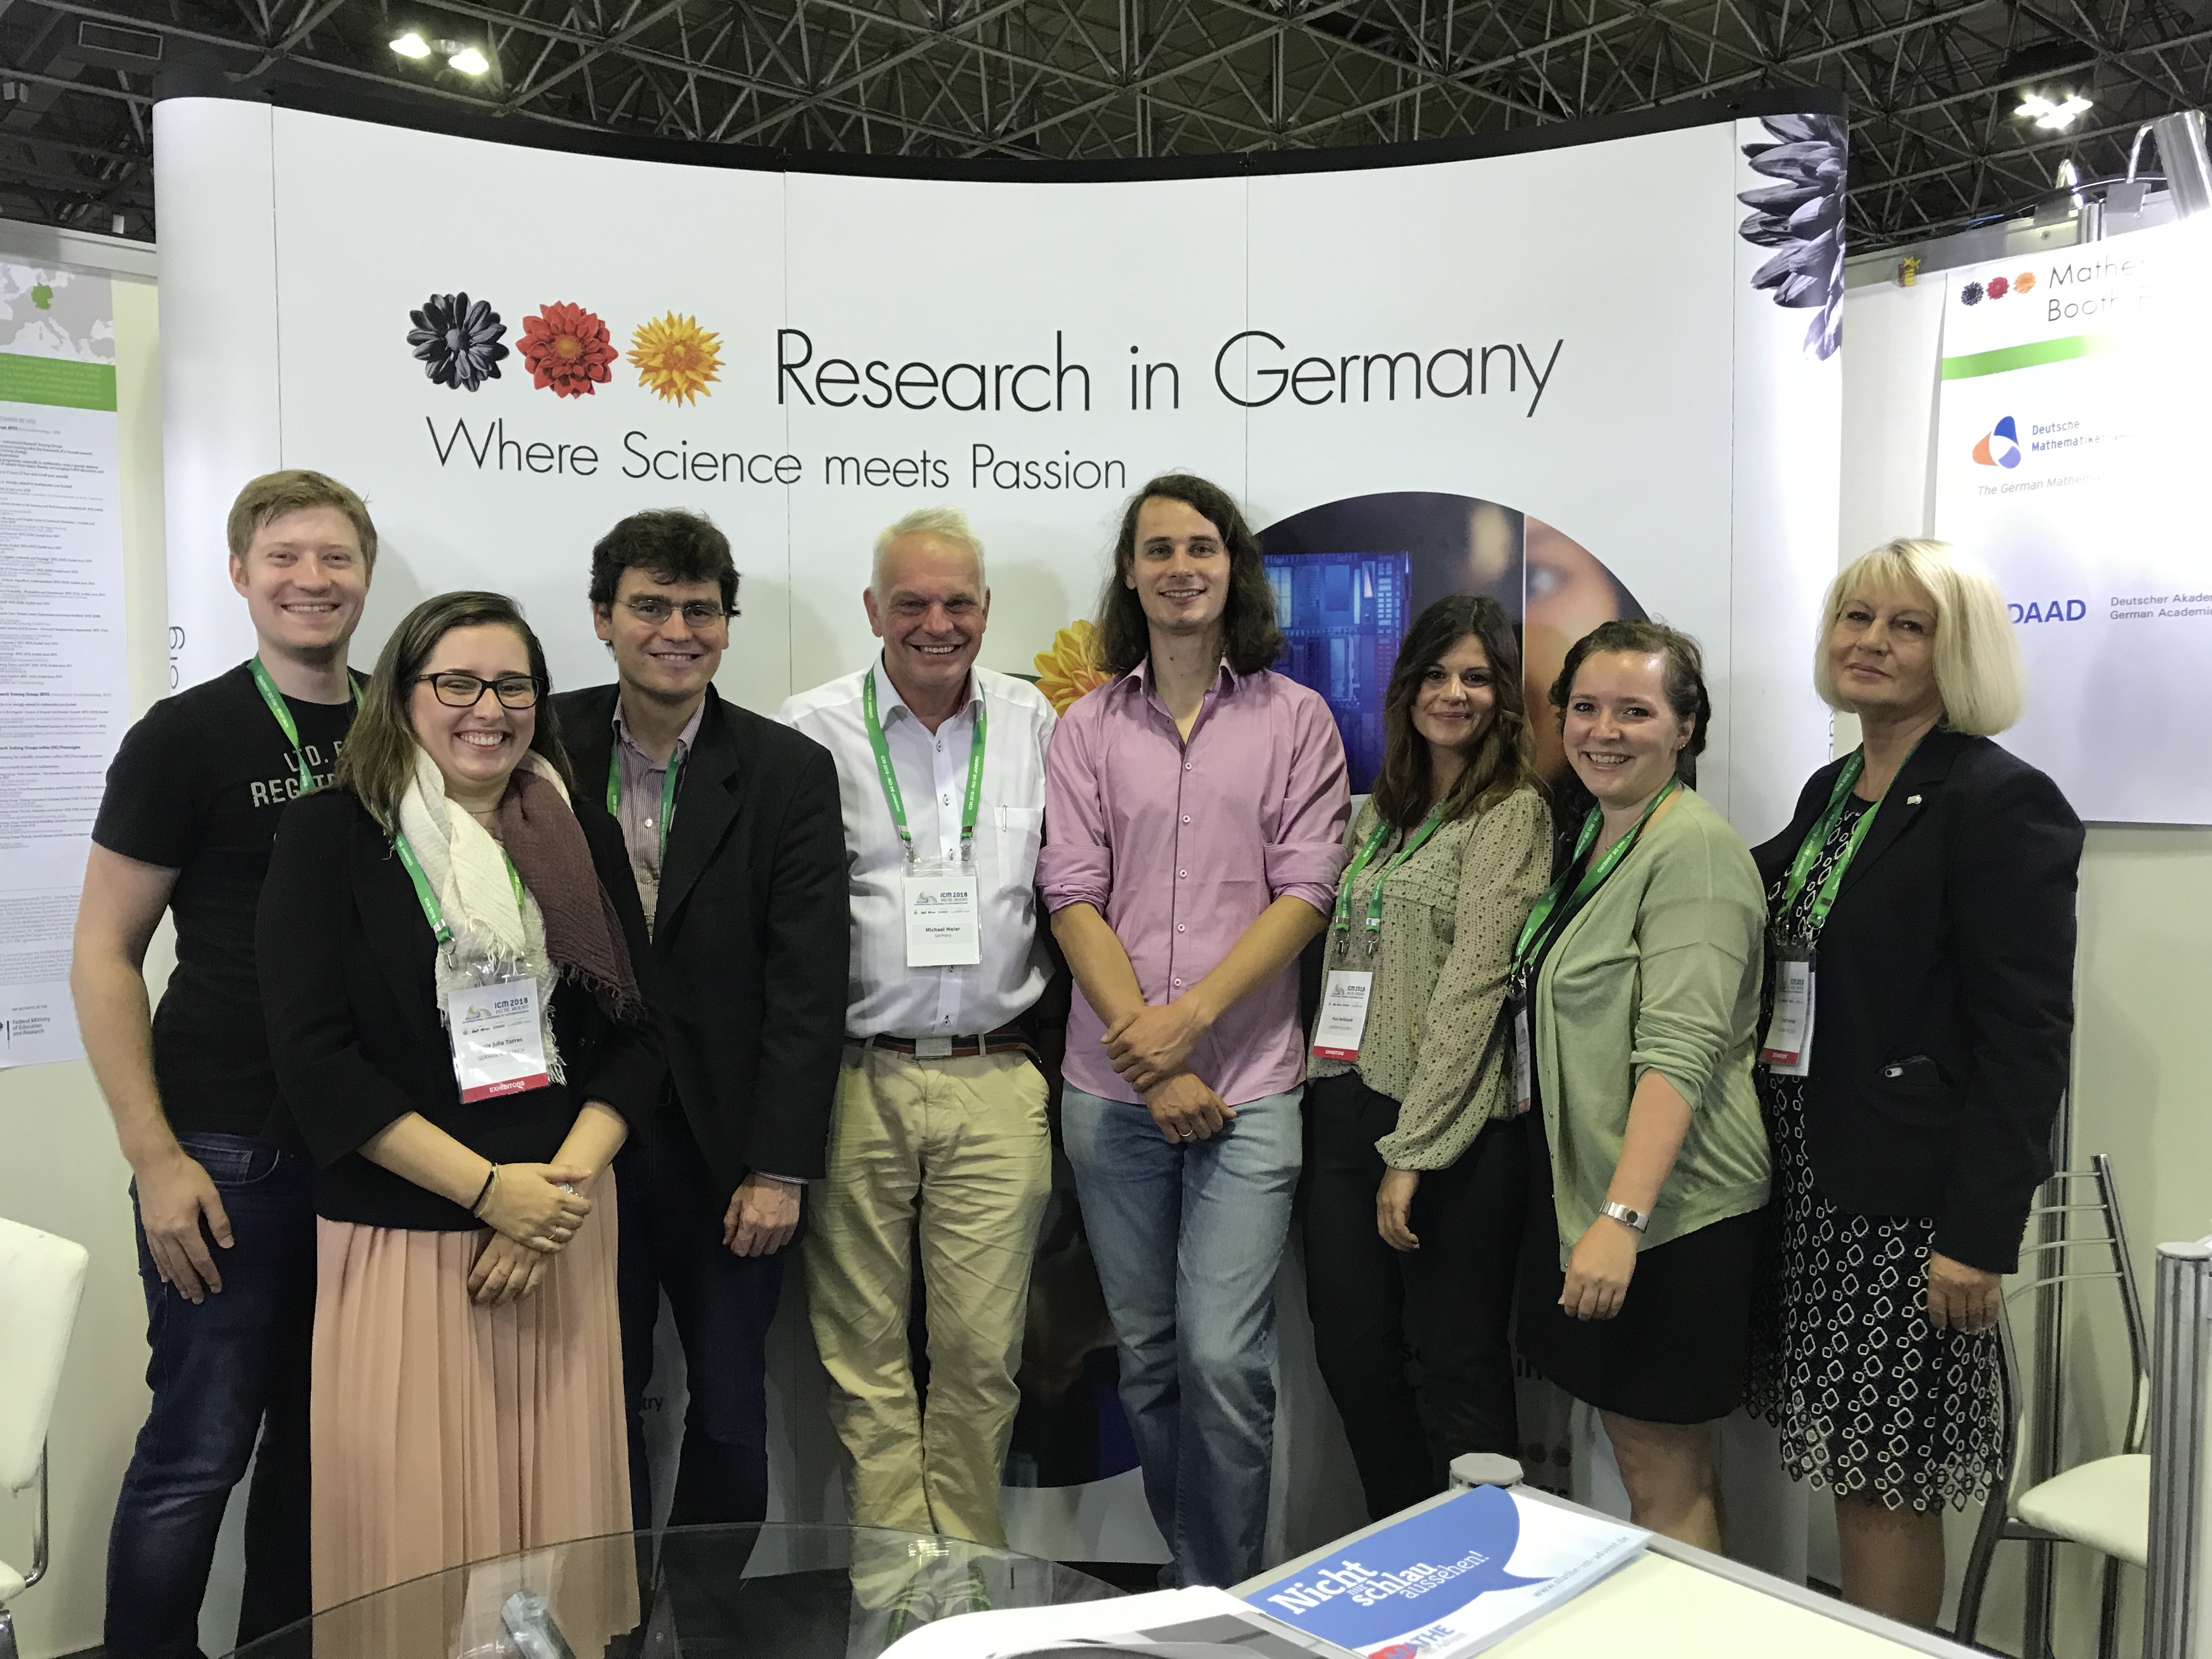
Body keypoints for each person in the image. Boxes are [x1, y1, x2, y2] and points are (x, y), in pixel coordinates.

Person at [256, 591, 661, 1627]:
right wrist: (490, 1194)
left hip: (563, 1231)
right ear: (402, 697)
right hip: (409, 1244)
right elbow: (317, 1063)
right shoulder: (329, 836)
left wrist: (553, 1200)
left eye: (513, 684)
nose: (489, 708)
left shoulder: (578, 837)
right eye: (457, 683)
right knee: (419, 1550)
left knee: (552, 1549)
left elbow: (642, 1040)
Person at [1747, 538, 2081, 1628]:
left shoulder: (2000, 800)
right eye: (1855, 618)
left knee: (1886, 1475)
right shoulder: (1833, 789)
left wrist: (1980, 1234)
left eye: (1906, 625)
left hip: (1908, 1205)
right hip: (1812, 1170)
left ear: (1959, 651)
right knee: (1849, 1460)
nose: (1871, 643)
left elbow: (2026, 1040)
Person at [72, 470, 375, 1658]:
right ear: (242, 575)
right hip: (226, 1147)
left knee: (321, 1448)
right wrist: (154, 1157)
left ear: (365, 575)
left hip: (362, 1147)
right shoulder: (185, 737)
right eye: (286, 557)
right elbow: (104, 952)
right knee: (199, 1450)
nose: (313, 580)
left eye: (336, 558)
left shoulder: (399, 726)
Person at [1041, 473, 1351, 1587]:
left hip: (1252, 1086)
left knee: (1226, 1361)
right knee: (1154, 1361)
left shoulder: (1296, 720)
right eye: (1158, 548)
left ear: (1234, 570)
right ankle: (1190, 1585)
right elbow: (1071, 891)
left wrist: (1192, 1025)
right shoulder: (1085, 726)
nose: (1181, 567)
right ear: (1130, 572)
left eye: (1202, 548)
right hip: (1114, 1095)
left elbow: (1306, 892)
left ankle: (1221, 1603)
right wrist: (1144, 1044)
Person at [551, 510, 846, 1532]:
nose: (676, 629)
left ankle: (716, 1626)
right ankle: (616, 1623)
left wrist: (780, 1167)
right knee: (593, 1404)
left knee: (729, 1411)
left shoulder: (787, 773)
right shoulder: (538, 742)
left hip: (729, 1155)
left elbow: (810, 985)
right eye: (650, 606)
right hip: (572, 1143)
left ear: (727, 624)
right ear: (602, 617)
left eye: (700, 610)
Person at [776, 507, 1057, 1558]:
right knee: (864, 1362)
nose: (936, 624)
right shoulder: (807, 731)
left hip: (996, 1077)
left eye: (958, 603)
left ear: (985, 609)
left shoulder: (1039, 725)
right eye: (912, 604)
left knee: (984, 1358)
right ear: (872, 611)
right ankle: (896, 1597)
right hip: (855, 1078)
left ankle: (971, 1595)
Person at [1512, 619, 1770, 1549]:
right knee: (1638, 1461)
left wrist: (1620, 1225)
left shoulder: (1692, 850)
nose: (1604, 730)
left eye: (1636, 711)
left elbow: (1680, 1054)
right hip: (1610, 1204)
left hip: (1671, 1214)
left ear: (1685, 730)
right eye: (1586, 707)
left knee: (1663, 1476)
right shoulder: (1603, 834)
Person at [1302, 595, 1550, 1521]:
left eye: (1477, 677)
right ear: (1406, 689)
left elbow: (1473, 992)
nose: (1455, 694)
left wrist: (1413, 1151)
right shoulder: (1384, 812)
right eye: (1437, 675)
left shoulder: (1510, 814)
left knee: (1460, 1367)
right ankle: (1401, 1555)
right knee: (1354, 1357)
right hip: (1343, 1104)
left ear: (1503, 697)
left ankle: (1477, 1584)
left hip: (1451, 1129)